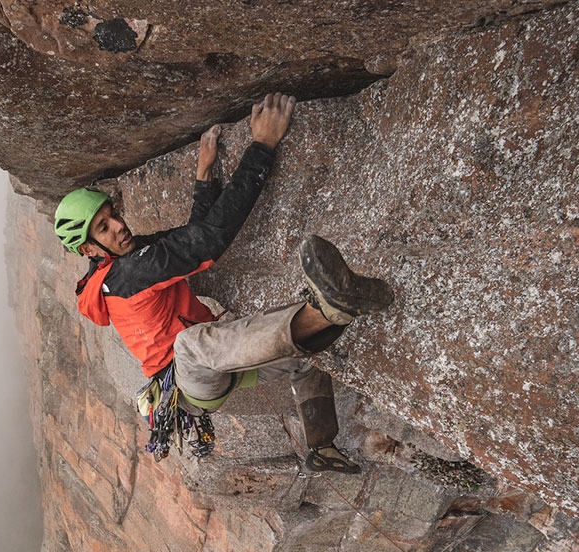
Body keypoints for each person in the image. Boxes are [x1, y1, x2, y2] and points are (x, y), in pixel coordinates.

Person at [54, 93, 392, 472]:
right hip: (191, 378)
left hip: (218, 371)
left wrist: (204, 176)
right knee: (191, 343)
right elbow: (212, 243)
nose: (119, 225)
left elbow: (194, 238)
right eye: (104, 227)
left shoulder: (125, 261)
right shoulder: (127, 274)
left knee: (302, 359)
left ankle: (321, 445)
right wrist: (262, 147)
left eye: (113, 214)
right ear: (88, 249)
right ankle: (329, 309)